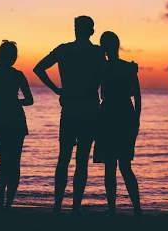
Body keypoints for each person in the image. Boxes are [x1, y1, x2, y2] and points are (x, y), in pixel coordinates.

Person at [33, 15, 105, 214]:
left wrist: (58, 90)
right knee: (80, 159)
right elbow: (105, 77)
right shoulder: (97, 52)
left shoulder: (64, 50)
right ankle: (74, 207)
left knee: (64, 157)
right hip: (88, 109)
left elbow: (39, 68)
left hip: (72, 108)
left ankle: (58, 205)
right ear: (91, 31)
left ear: (76, 30)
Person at [0, 40, 34, 209]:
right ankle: (6, 201)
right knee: (11, 161)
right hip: (12, 118)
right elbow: (29, 100)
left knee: (6, 160)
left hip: (0, 118)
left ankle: (2, 200)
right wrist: (17, 102)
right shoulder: (16, 74)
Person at [94, 31, 142, 215]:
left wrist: (136, 121)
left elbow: (137, 96)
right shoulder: (124, 68)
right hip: (119, 115)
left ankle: (118, 208)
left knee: (114, 166)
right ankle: (133, 208)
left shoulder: (106, 68)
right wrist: (136, 120)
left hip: (112, 115)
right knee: (121, 165)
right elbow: (137, 97)